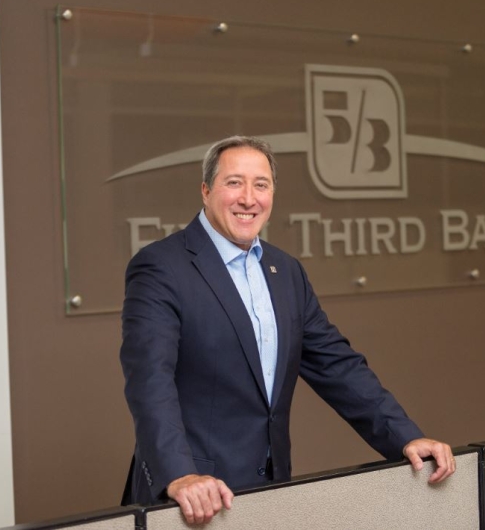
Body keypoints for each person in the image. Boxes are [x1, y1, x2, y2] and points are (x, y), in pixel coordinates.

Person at [120, 135, 455, 525]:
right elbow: (149, 380)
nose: (249, 198)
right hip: (192, 498)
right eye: (234, 183)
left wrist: (405, 437)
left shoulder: (285, 271)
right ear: (206, 190)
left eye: (261, 185)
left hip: (271, 492)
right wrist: (180, 474)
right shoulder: (162, 267)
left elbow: (337, 366)